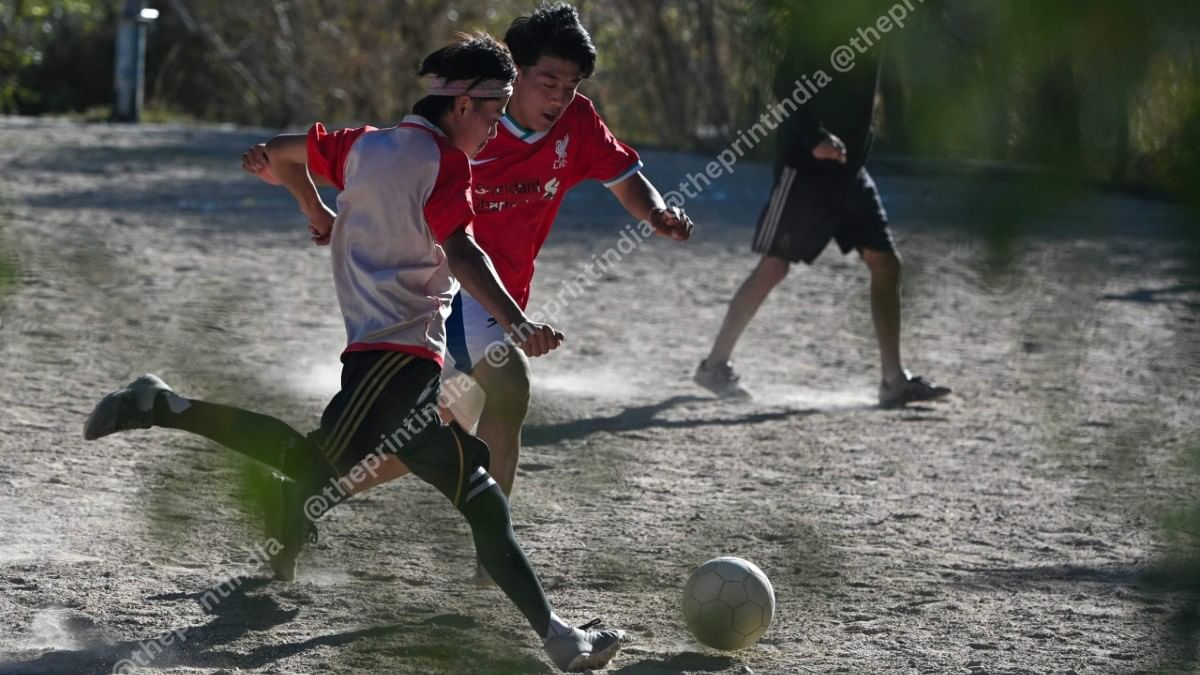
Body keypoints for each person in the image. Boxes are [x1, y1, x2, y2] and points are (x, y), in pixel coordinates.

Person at [83, 34, 623, 673]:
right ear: (465, 105)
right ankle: (161, 406)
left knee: (475, 498)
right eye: (497, 105)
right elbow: (462, 252)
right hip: (389, 360)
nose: (498, 122)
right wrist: (516, 321)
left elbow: (282, 155)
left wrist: (317, 211)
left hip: (402, 364)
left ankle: (560, 638)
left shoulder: (362, 143)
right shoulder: (448, 163)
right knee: (310, 467)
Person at [244, 2, 694, 585]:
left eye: (571, 84)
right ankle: (494, 566)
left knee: (425, 441)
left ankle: (303, 498)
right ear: (513, 72)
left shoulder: (576, 123)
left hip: (494, 294)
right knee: (506, 392)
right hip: (452, 290)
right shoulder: (462, 128)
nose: (559, 96)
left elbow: (623, 174)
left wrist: (656, 213)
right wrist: (311, 198)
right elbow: (435, 225)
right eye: (547, 80)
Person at [692, 13, 950, 409]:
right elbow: (785, 83)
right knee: (774, 267)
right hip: (807, 171)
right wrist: (813, 136)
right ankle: (714, 366)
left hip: (850, 173)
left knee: (886, 263)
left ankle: (894, 381)